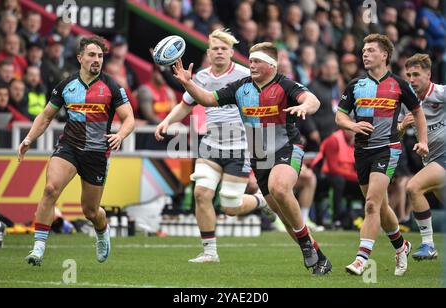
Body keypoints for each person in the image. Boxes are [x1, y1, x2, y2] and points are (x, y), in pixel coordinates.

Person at [171, 42, 333, 275]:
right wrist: (187, 83)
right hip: (258, 154)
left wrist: (305, 106)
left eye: (256, 61)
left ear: (271, 65)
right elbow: (207, 99)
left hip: (286, 147)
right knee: (285, 215)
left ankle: (306, 243)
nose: (251, 64)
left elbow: (313, 100)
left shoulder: (284, 84)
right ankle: (319, 256)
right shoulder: (240, 87)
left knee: (279, 188)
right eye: (250, 60)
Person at [155, 29, 276, 264]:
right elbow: (185, 105)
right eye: (215, 49)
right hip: (211, 144)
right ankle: (210, 252)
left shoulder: (244, 75)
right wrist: (166, 121)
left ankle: (262, 200)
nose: (219, 52)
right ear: (208, 53)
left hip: (240, 146)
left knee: (230, 206)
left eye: (224, 48)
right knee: (201, 193)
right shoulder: (200, 77)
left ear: (231, 52)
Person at [19, 36, 135, 266]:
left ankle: (102, 232)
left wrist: (120, 135)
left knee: (91, 211)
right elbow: (45, 116)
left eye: (100, 56)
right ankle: (38, 248)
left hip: (96, 153)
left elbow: (129, 118)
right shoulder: (66, 85)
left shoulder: (111, 86)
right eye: (92, 55)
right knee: (51, 189)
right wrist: (29, 138)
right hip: (69, 147)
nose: (97, 60)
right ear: (80, 58)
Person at [336, 34, 429, 276]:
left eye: (370, 50)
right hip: (361, 151)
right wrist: (352, 126)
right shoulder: (355, 84)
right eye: (363, 50)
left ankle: (361, 259)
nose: (364, 54)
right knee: (381, 206)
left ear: (384, 55)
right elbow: (340, 116)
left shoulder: (399, 84)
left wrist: (423, 141)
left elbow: (418, 112)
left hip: (388, 149)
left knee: (370, 205)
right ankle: (401, 246)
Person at [399, 53, 445, 261]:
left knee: (413, 187)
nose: (411, 79)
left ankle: (428, 245)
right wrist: (403, 125)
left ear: (429, 74)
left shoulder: (442, 94)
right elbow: (396, 134)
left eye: (416, 74)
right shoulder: (407, 102)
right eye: (409, 75)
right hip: (431, 160)